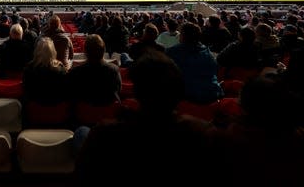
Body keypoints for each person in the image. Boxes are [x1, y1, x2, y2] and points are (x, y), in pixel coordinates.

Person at [73, 51, 215, 186]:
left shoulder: (104, 134)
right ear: (178, 91)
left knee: (82, 131)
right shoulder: (203, 135)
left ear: (135, 92)